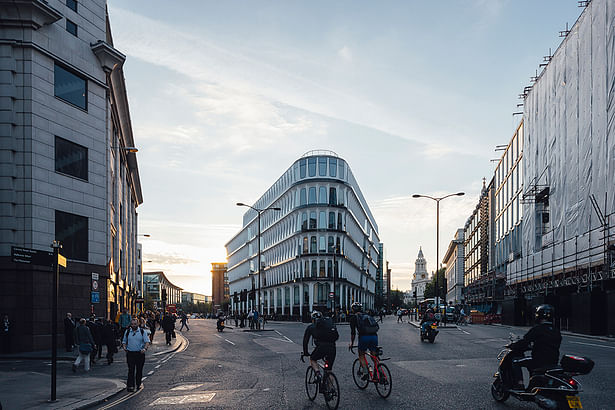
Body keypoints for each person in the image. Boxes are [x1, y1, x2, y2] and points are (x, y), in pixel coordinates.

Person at [510, 304, 562, 390]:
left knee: (515, 361)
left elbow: (524, 342)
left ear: (538, 315)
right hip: (553, 361)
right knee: (530, 364)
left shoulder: (537, 329)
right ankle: (533, 383)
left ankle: (519, 385)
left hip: (538, 361)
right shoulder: (556, 330)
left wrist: (513, 346)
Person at [303, 311, 338, 384]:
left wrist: (305, 352)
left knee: (313, 359)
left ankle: (318, 374)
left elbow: (305, 341)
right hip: (332, 347)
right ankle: (331, 390)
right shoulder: (328, 324)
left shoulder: (311, 327)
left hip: (321, 348)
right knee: (329, 370)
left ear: (312, 319)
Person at [348, 302, 379, 380]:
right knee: (374, 355)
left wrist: (352, 343)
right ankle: (379, 371)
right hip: (374, 336)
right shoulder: (368, 315)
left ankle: (365, 373)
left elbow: (353, 333)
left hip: (364, 337)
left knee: (361, 354)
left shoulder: (353, 318)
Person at [122, 318, 151, 392]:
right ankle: (130, 386)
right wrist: (124, 347)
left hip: (140, 354)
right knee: (131, 370)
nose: (133, 325)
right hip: (130, 353)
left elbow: (147, 341)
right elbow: (124, 341)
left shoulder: (142, 331)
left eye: (135, 324)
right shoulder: (127, 331)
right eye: (132, 324)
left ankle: (138, 383)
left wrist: (144, 349)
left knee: (139, 370)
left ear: (138, 324)